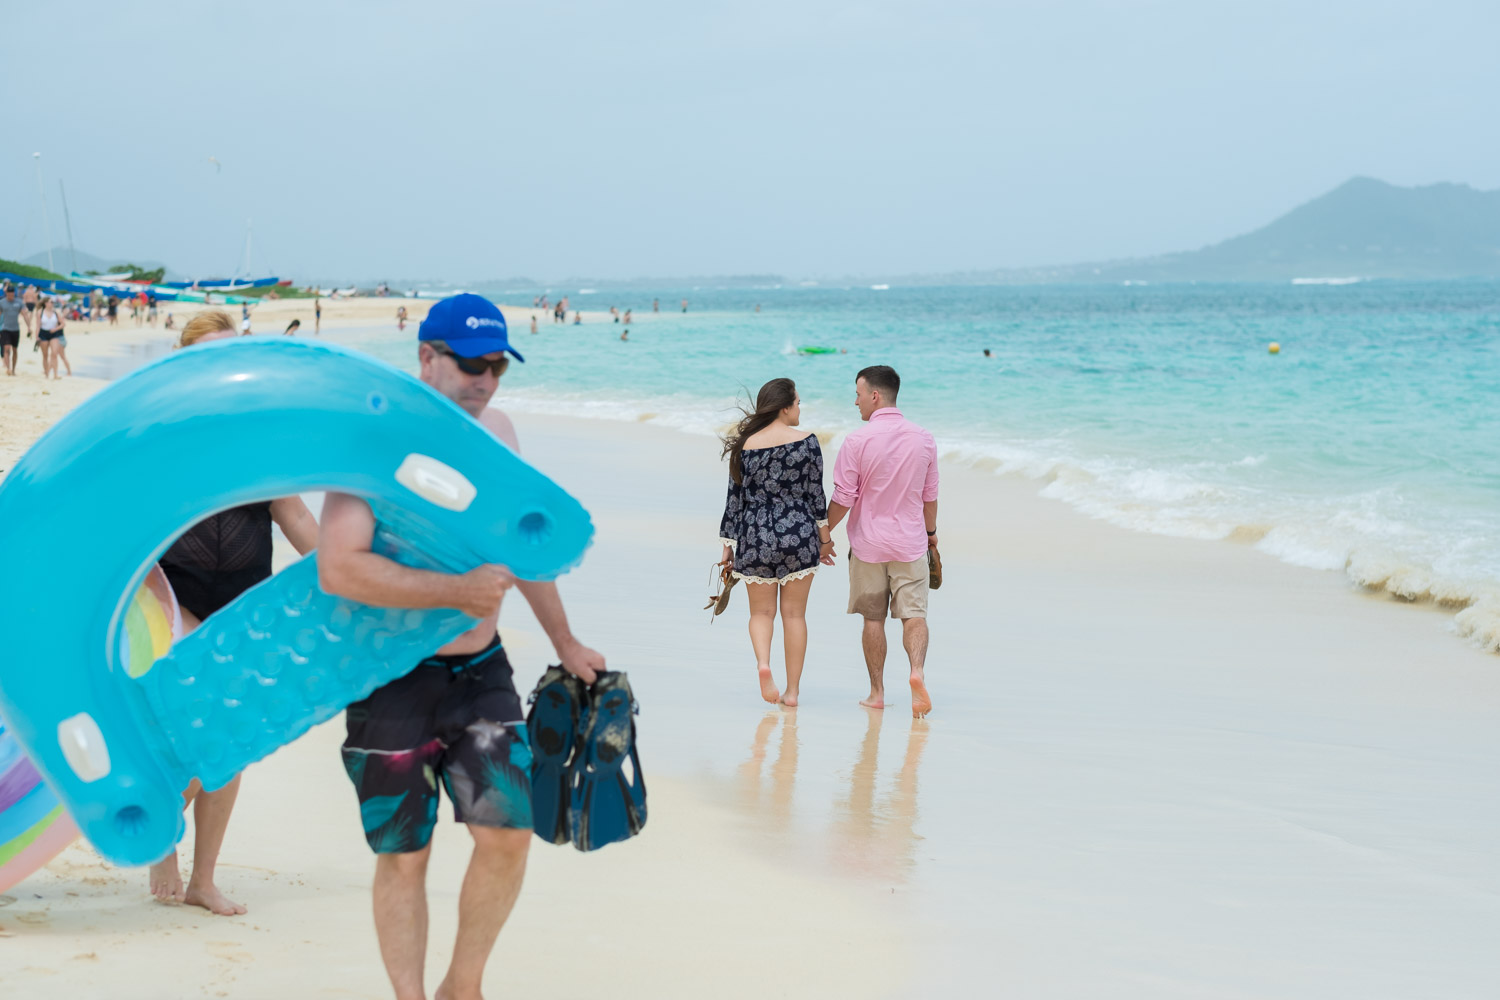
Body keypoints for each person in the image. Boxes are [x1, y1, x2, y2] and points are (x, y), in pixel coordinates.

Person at [317, 293, 605, 1000]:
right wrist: (453, 592)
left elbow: (524, 549)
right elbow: (339, 566)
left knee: (508, 833)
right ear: (426, 357)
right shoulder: (371, 447)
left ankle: (463, 987)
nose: (486, 379)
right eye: (471, 363)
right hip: (389, 677)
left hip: (481, 670)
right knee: (404, 854)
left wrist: (565, 640)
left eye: (498, 365)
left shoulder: (499, 436)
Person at [152, 309, 320, 915]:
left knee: (232, 737)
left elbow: (294, 515)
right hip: (176, 595)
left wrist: (342, 571)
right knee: (191, 724)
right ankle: (160, 841)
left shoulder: (261, 437)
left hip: (248, 599)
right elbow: (135, 529)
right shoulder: (167, 432)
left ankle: (202, 878)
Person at [825, 365, 938, 718]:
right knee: (914, 616)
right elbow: (929, 496)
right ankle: (917, 672)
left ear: (874, 395)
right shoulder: (923, 438)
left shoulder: (857, 440)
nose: (855, 401)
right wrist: (932, 536)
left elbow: (844, 496)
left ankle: (876, 693)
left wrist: (823, 534)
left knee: (873, 620)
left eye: (858, 394)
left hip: (869, 546)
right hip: (910, 543)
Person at [718, 378, 833, 707]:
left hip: (755, 537)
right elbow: (816, 497)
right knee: (794, 616)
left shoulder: (745, 446)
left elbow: (734, 502)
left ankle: (764, 664)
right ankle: (793, 692)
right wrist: (825, 540)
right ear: (784, 407)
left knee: (761, 613)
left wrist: (727, 548)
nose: (800, 408)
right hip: (798, 536)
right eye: (798, 402)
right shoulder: (808, 442)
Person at [1, 285, 29, 376]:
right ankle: (8, 368)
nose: (11, 295)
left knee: (15, 350)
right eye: (9, 293)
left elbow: (24, 314)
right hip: (5, 328)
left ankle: (13, 369)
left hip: (15, 329)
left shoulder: (19, 302)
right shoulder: (2, 302)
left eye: (12, 293)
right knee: (6, 348)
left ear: (14, 293)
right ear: (7, 293)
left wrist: (29, 327)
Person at [36, 297, 66, 379]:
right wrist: (37, 337)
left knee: (54, 354)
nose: (52, 303)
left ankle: (55, 374)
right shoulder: (40, 312)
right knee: (45, 355)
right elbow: (38, 326)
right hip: (43, 334)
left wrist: (55, 329)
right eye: (51, 302)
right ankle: (46, 374)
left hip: (54, 334)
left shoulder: (55, 313)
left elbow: (63, 324)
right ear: (46, 303)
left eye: (53, 302)